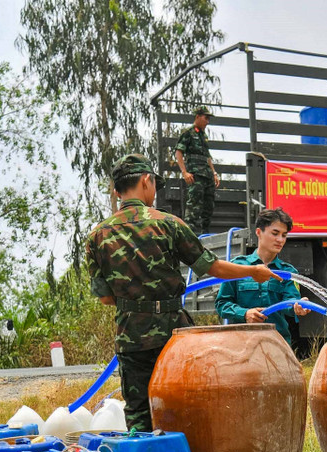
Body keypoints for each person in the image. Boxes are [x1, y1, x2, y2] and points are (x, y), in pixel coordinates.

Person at [86, 153, 280, 431]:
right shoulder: (168, 223)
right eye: (154, 184)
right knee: (187, 402)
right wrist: (252, 270)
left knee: (139, 412)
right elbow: (211, 267)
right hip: (174, 334)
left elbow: (105, 297)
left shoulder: (97, 236)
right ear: (145, 181)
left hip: (131, 336)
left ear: (117, 190)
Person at [215, 208, 311, 346]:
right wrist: (245, 313)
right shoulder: (238, 267)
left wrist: (298, 306)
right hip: (241, 345)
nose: (280, 240)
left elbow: (290, 302)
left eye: (284, 235)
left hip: (276, 345)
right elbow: (222, 304)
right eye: (275, 233)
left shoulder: (288, 272)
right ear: (259, 232)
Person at [174, 106, 220, 234]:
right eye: (206, 118)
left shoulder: (203, 136)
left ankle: (205, 234)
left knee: (209, 207)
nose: (207, 121)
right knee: (194, 206)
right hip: (196, 175)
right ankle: (189, 236)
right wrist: (184, 172)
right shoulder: (188, 133)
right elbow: (178, 152)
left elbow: (207, 157)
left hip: (207, 175)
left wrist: (214, 173)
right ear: (197, 117)